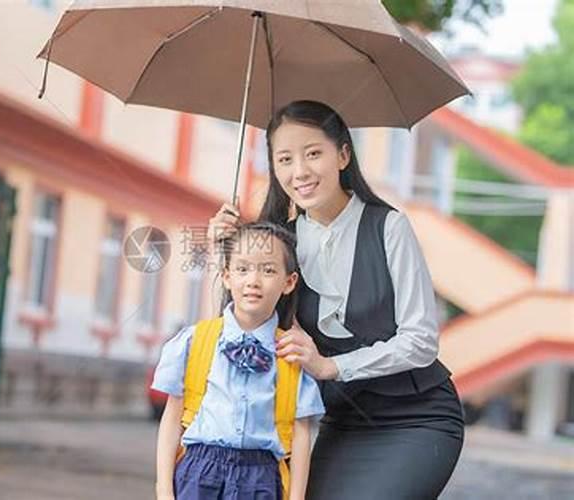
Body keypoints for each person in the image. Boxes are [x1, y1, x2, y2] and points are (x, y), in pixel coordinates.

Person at [208, 101, 465, 499]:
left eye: (313, 153)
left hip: (417, 417)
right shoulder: (278, 242)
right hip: (340, 421)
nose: (300, 172)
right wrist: (223, 252)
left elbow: (421, 341)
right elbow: (241, 338)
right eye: (285, 159)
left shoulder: (389, 227)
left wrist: (331, 366)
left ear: (343, 154)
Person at [153, 222, 324, 500]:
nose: (253, 280)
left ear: (289, 282)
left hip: (261, 479)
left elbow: (301, 435)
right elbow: (172, 419)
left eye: (268, 270)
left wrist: (296, 497)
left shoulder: (291, 353)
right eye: (242, 269)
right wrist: (164, 490)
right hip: (198, 473)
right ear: (226, 276)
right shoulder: (195, 340)